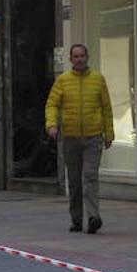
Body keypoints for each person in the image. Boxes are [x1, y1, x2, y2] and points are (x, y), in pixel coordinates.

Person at [45, 43, 114, 234]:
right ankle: (76, 219)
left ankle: (93, 217)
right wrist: (51, 124)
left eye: (82, 56)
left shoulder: (98, 80)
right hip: (70, 137)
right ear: (70, 59)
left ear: (87, 57)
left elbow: (106, 109)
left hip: (93, 137)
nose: (80, 59)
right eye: (76, 56)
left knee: (90, 176)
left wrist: (109, 134)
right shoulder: (63, 81)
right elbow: (52, 104)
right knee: (74, 181)